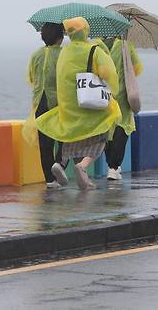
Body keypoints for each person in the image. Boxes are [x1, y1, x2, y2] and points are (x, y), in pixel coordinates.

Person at [36, 17, 121, 190]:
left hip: (69, 106)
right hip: (89, 104)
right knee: (101, 137)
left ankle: (62, 164)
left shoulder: (64, 52)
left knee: (72, 138)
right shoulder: (94, 50)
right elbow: (108, 74)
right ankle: (83, 166)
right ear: (86, 31)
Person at [27, 22, 64, 188]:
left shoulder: (36, 55)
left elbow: (31, 77)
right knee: (66, 136)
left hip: (40, 102)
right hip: (58, 102)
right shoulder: (64, 54)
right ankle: (60, 163)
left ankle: (50, 179)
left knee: (45, 143)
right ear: (60, 37)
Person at [101, 37, 143, 180]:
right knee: (122, 126)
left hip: (103, 95)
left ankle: (111, 165)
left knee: (107, 130)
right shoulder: (126, 45)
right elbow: (136, 69)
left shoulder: (98, 46)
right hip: (122, 95)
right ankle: (113, 167)